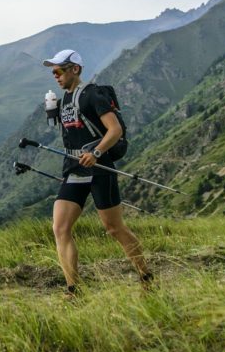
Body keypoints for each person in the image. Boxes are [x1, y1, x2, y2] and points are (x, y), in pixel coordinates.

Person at [42, 49, 153, 298]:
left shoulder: (92, 95)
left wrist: (97, 153)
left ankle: (146, 275)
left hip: (99, 168)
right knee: (60, 228)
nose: (56, 76)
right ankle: (74, 291)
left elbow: (115, 130)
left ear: (75, 69)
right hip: (74, 168)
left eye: (59, 71)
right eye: (53, 72)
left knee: (114, 228)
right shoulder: (64, 100)